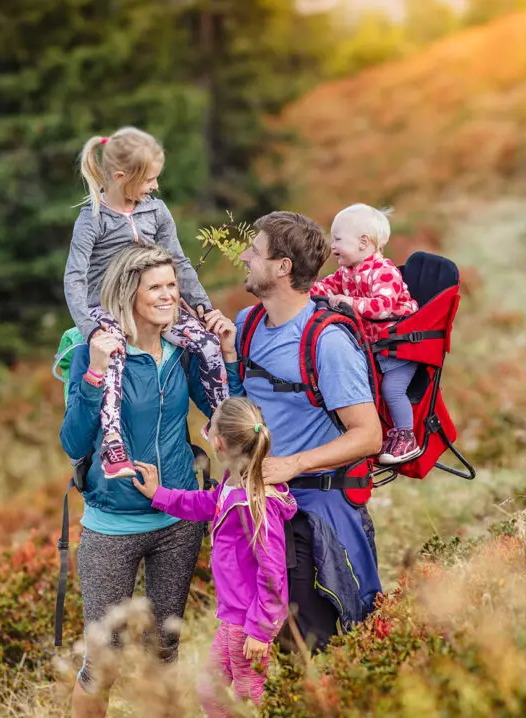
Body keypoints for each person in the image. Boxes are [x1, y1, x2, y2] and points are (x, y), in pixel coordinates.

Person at [59, 245, 244, 718]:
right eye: (156, 288)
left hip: (178, 517)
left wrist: (227, 355)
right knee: (103, 661)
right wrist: (96, 373)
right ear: (128, 294)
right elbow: (74, 441)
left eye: (172, 286)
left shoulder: (184, 350)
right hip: (113, 523)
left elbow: (227, 416)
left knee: (165, 650)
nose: (168, 296)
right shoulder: (93, 352)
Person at [233, 211, 385, 653]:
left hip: (317, 516)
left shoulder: (328, 342)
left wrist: (293, 464)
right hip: (262, 514)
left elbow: (368, 436)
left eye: (255, 251)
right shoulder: (247, 325)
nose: (244, 256)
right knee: (278, 648)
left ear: (282, 267)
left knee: (317, 650)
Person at [63, 126, 227, 480]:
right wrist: (90, 330)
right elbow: (74, 277)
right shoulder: (93, 219)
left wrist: (203, 307)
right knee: (115, 359)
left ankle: (223, 421)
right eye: (149, 179)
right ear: (122, 177)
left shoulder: (156, 211)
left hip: (155, 301)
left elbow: (180, 261)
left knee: (208, 345)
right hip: (106, 308)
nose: (155, 186)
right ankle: (112, 444)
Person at [132, 397, 297, 716]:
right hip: (232, 617)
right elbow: (206, 503)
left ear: (218, 443)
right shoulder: (231, 486)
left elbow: (273, 571)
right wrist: (160, 496)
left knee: (249, 693)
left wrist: (260, 629)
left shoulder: (253, 502)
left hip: (247, 623)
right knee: (212, 693)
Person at [311, 203, 422, 465]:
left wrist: (349, 302)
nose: (332, 245)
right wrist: (303, 291)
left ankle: (407, 436)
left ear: (363, 242)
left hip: (400, 349)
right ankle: (364, 438)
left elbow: (383, 307)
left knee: (392, 389)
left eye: (338, 239)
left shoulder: (384, 272)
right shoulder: (346, 273)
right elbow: (325, 287)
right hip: (375, 349)